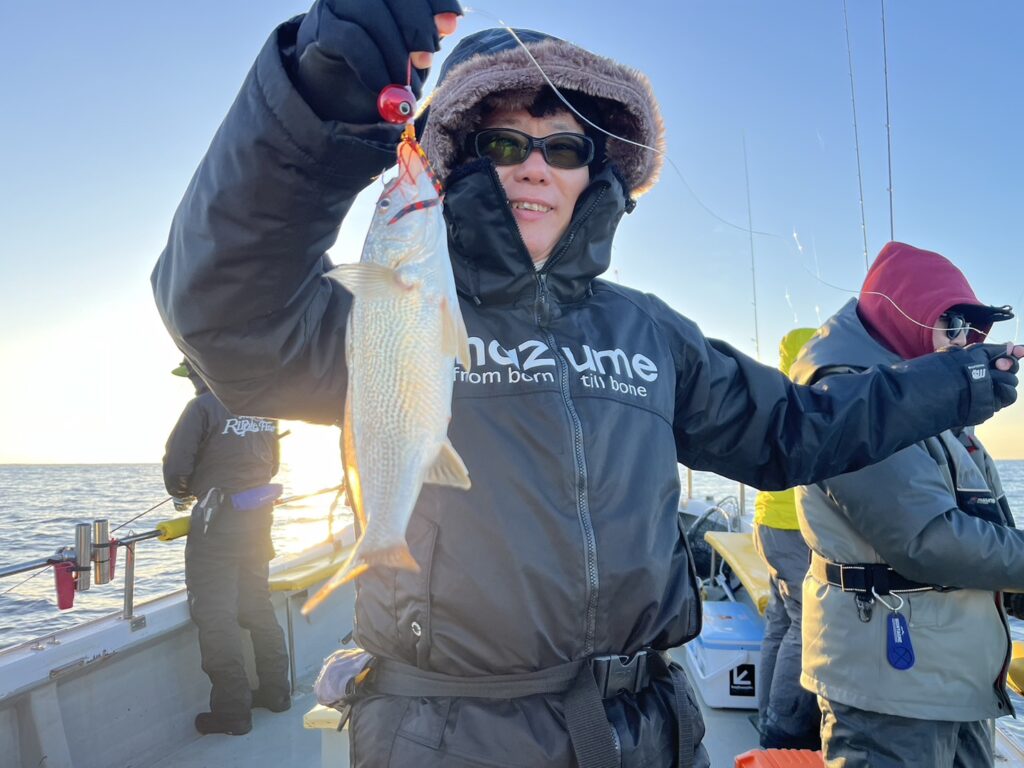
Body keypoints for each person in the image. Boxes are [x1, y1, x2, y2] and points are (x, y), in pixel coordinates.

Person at [151, 3, 1022, 765]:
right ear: (456, 160)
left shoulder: (649, 331)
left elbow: (796, 429)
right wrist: (313, 104)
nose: (536, 166)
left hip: (652, 729)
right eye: (504, 143)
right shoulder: (385, 312)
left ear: (593, 173)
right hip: (449, 735)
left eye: (564, 147)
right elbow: (224, 312)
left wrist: (961, 379)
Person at [790, 242, 1022, 768]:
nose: (964, 342)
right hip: (892, 687)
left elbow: (984, 516)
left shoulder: (923, 399)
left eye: (973, 331)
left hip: (953, 676)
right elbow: (927, 540)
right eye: (953, 323)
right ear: (907, 312)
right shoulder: (848, 396)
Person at [163, 359, 291, 736]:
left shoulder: (201, 407)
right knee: (258, 605)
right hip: (259, 521)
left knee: (216, 615)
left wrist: (180, 494)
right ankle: (277, 693)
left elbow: (176, 468)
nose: (191, 383)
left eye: (191, 375)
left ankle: (233, 712)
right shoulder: (266, 411)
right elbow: (272, 467)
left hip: (217, 526)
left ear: (200, 372)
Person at [752, 327, 821, 751]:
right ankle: (784, 730)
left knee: (780, 621)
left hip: (768, 526)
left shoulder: (775, 401)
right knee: (805, 621)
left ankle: (767, 716)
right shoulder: (810, 406)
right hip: (794, 528)